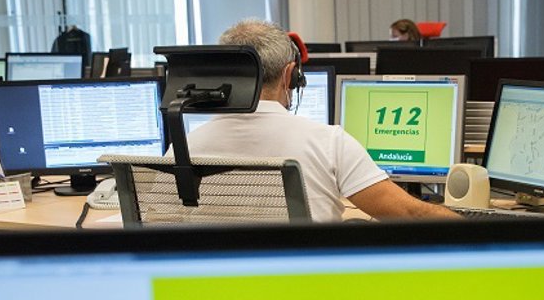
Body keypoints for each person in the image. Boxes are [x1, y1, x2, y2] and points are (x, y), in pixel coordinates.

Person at [185, 19, 459, 222]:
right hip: (307, 282)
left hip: (218, 283)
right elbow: (409, 214)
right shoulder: (328, 143)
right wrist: (474, 229)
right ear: (290, 74)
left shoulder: (184, 148)